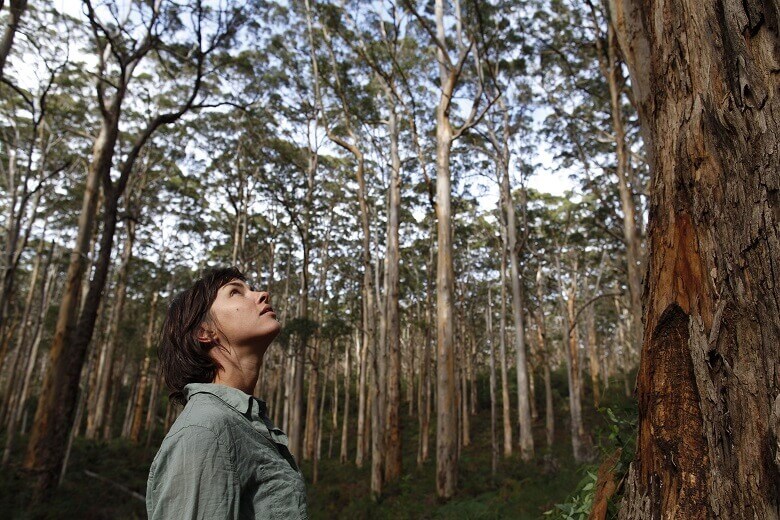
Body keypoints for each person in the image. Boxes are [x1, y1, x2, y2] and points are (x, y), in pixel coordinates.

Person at [146, 267, 308, 519]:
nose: (262, 294)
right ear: (205, 332)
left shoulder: (240, 422)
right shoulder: (206, 429)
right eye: (235, 292)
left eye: (251, 289)